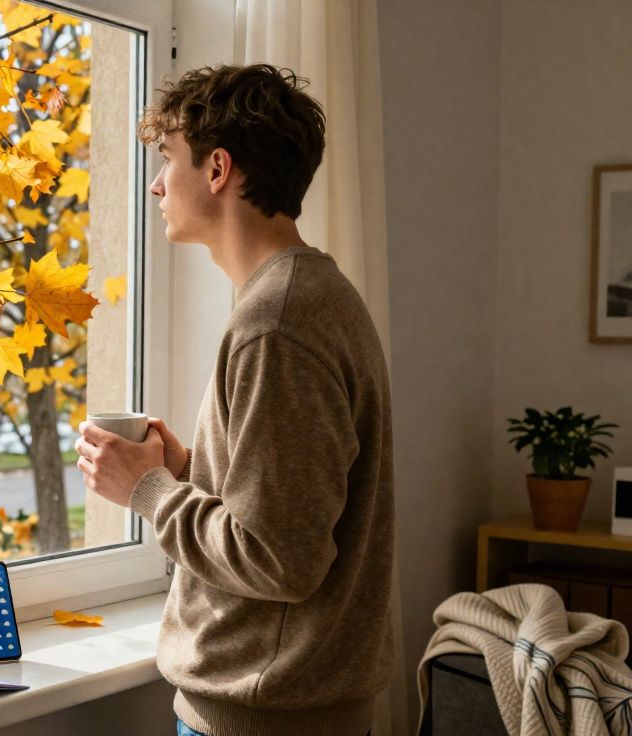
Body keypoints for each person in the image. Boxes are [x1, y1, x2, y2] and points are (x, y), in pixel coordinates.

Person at [75, 64, 395, 736]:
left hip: (263, 719)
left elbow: (280, 560)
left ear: (217, 169)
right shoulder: (313, 296)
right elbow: (297, 506)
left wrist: (150, 491)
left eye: (167, 160)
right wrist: (192, 469)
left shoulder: (276, 323)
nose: (158, 184)